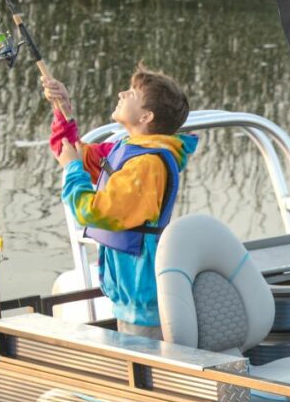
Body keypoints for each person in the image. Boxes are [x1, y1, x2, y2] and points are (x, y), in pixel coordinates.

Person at [43, 66, 196, 339]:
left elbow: (93, 212)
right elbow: (69, 151)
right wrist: (62, 107)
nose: (121, 93)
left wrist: (73, 171)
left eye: (132, 93)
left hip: (143, 299)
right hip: (128, 297)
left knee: (148, 369)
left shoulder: (147, 166)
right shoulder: (127, 149)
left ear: (146, 116)